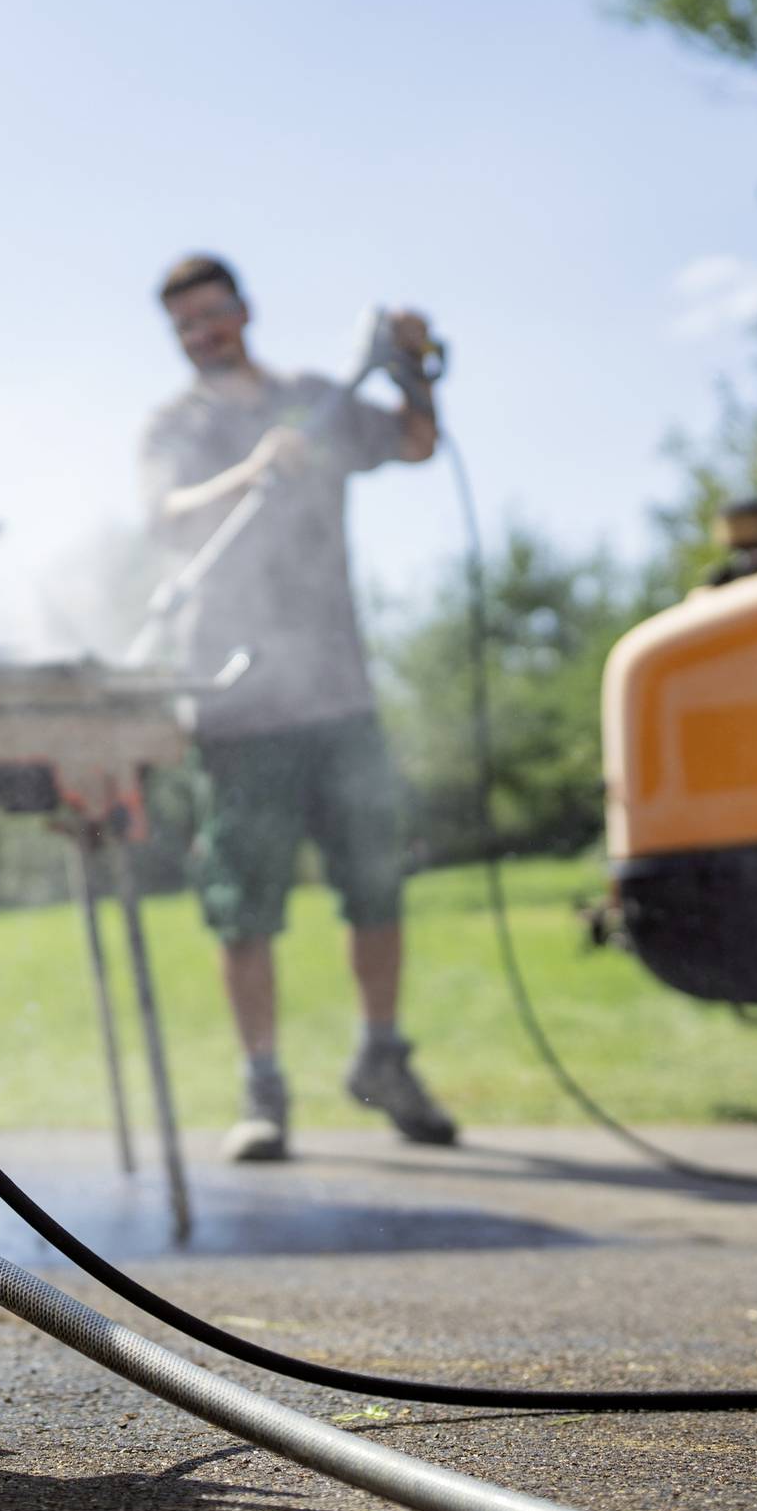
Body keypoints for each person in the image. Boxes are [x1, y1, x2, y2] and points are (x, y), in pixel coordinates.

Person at [138, 253, 458, 1163]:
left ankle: (383, 1057)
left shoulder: (316, 398)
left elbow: (415, 442)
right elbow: (163, 514)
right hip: (236, 696)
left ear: (244, 310)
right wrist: (248, 472)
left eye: (212, 313)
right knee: (243, 902)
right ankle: (263, 1087)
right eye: (185, 324)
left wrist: (413, 367)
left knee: (376, 881)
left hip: (336, 685)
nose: (203, 333)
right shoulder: (178, 424)